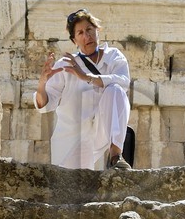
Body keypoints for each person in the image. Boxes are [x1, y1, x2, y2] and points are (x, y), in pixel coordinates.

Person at [33, 9, 132, 170]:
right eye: (80, 33)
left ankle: (116, 156)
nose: (87, 36)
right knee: (70, 184)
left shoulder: (113, 56)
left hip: (101, 132)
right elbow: (45, 104)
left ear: (97, 30)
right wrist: (41, 84)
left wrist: (87, 77)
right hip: (72, 139)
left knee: (115, 89)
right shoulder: (65, 64)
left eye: (89, 29)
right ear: (75, 40)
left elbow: (124, 82)